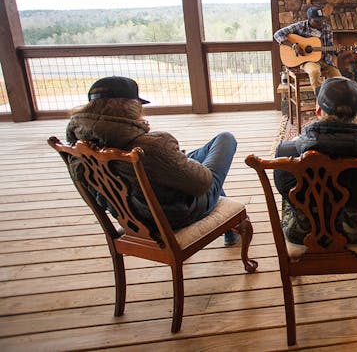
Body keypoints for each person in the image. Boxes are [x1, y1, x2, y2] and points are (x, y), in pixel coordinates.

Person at [66, 76, 240, 245]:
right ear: (130, 106)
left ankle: (230, 229)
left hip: (132, 214)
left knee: (190, 164)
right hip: (176, 214)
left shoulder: (78, 146)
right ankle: (232, 226)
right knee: (225, 139)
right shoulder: (152, 146)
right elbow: (203, 183)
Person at [273, 77, 357, 248]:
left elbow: (283, 188)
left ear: (318, 110)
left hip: (303, 234)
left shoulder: (287, 153)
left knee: (291, 193)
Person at [273, 5, 342, 92]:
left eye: (321, 20)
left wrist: (336, 51)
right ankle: (320, 100)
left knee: (340, 80)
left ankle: (336, 102)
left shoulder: (327, 28)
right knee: (314, 72)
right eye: (317, 21)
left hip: (325, 60)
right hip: (307, 61)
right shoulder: (300, 26)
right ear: (309, 19)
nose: (320, 23)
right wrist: (294, 45)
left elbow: (329, 46)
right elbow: (277, 34)